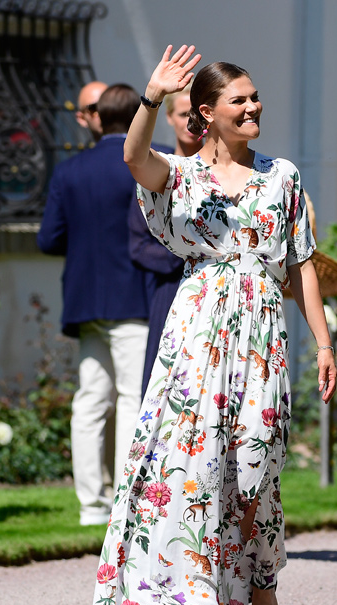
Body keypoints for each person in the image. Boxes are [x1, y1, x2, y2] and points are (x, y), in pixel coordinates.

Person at [89, 45, 337, 605]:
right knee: (198, 470)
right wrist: (150, 97)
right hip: (198, 331)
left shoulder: (283, 177)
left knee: (256, 466)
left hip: (261, 334)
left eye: (255, 97)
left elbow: (302, 261)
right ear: (206, 112)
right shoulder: (181, 175)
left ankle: (262, 582)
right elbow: (132, 156)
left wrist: (324, 342)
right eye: (240, 100)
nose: (254, 107)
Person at [38, 84, 150, 526]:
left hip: (86, 301)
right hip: (134, 298)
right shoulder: (149, 158)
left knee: (89, 402)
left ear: (99, 118)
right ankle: (126, 502)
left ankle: (90, 506)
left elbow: (48, 239)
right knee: (131, 399)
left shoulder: (69, 171)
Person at [129, 86, 201, 400]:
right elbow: (139, 245)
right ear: (170, 118)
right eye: (185, 114)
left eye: (198, 115)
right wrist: (184, 254)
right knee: (165, 393)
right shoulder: (157, 171)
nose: (192, 122)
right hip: (171, 292)